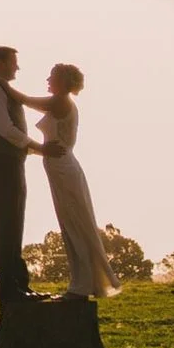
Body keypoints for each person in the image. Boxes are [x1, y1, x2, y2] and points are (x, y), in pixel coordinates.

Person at [0, 45, 63, 300]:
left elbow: (14, 136)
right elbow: (6, 130)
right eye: (14, 62)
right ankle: (9, 286)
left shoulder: (4, 90)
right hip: (1, 161)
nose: (17, 67)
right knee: (6, 220)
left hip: (12, 161)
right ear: (0, 63)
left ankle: (19, 285)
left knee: (15, 220)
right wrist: (40, 148)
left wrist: (37, 151)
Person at [34, 62, 119, 299]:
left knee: (75, 225)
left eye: (52, 76)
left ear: (63, 82)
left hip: (64, 170)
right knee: (70, 225)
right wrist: (34, 149)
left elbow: (22, 98)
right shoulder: (60, 103)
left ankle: (81, 286)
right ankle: (82, 283)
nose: (48, 79)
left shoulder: (59, 101)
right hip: (60, 169)